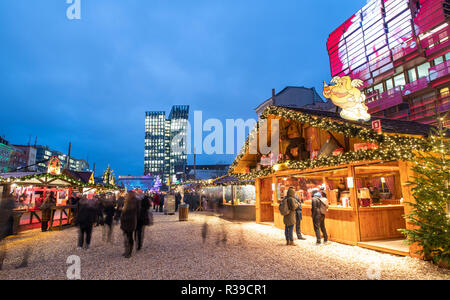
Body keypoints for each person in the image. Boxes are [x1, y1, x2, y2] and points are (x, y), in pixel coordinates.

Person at [120, 192, 139, 258]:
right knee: (126, 236)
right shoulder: (126, 201)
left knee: (129, 236)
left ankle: (129, 251)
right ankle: (126, 250)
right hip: (125, 221)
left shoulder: (134, 202)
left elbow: (136, 211)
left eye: (127, 194)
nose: (126, 195)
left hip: (130, 221)